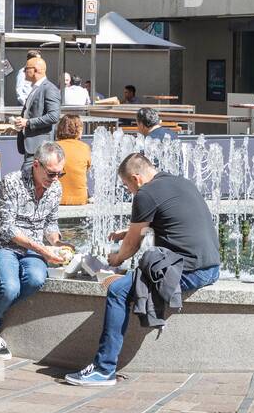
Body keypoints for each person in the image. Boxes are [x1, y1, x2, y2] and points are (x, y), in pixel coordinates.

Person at [64, 153, 221, 386]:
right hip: (211, 267)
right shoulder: (180, 182)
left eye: (128, 187)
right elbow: (169, 225)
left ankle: (103, 369)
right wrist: (124, 234)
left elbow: (132, 246)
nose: (130, 193)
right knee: (136, 277)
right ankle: (103, 368)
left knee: (117, 289)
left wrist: (115, 259)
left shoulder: (145, 193)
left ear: (136, 179)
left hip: (189, 271)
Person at [0, 143, 68, 359]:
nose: (56, 179)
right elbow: (6, 228)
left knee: (35, 280)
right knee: (10, 288)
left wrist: (56, 244)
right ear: (36, 165)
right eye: (51, 173)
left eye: (60, 173)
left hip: (34, 249)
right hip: (5, 245)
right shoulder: (12, 182)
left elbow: (51, 223)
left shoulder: (56, 187)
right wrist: (42, 249)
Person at [11, 56, 61, 163]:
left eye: (26, 69)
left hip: (40, 148)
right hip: (31, 146)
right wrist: (21, 121)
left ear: (35, 70)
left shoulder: (49, 89)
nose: (23, 71)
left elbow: (53, 116)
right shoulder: (36, 88)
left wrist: (28, 122)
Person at [55, 114, 91, 205]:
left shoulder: (53, 147)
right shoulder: (84, 147)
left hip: (56, 199)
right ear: (78, 130)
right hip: (80, 199)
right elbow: (85, 169)